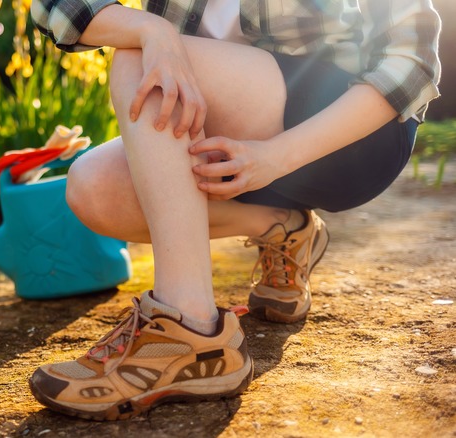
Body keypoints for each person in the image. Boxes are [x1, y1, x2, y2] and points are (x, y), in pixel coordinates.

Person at [27, 0, 441, 421]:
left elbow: (413, 62)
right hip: (226, 137)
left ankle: (190, 327)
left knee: (139, 63)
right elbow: (55, 7)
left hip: (350, 137)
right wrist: (155, 31)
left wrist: (276, 157)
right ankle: (281, 227)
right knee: (96, 188)